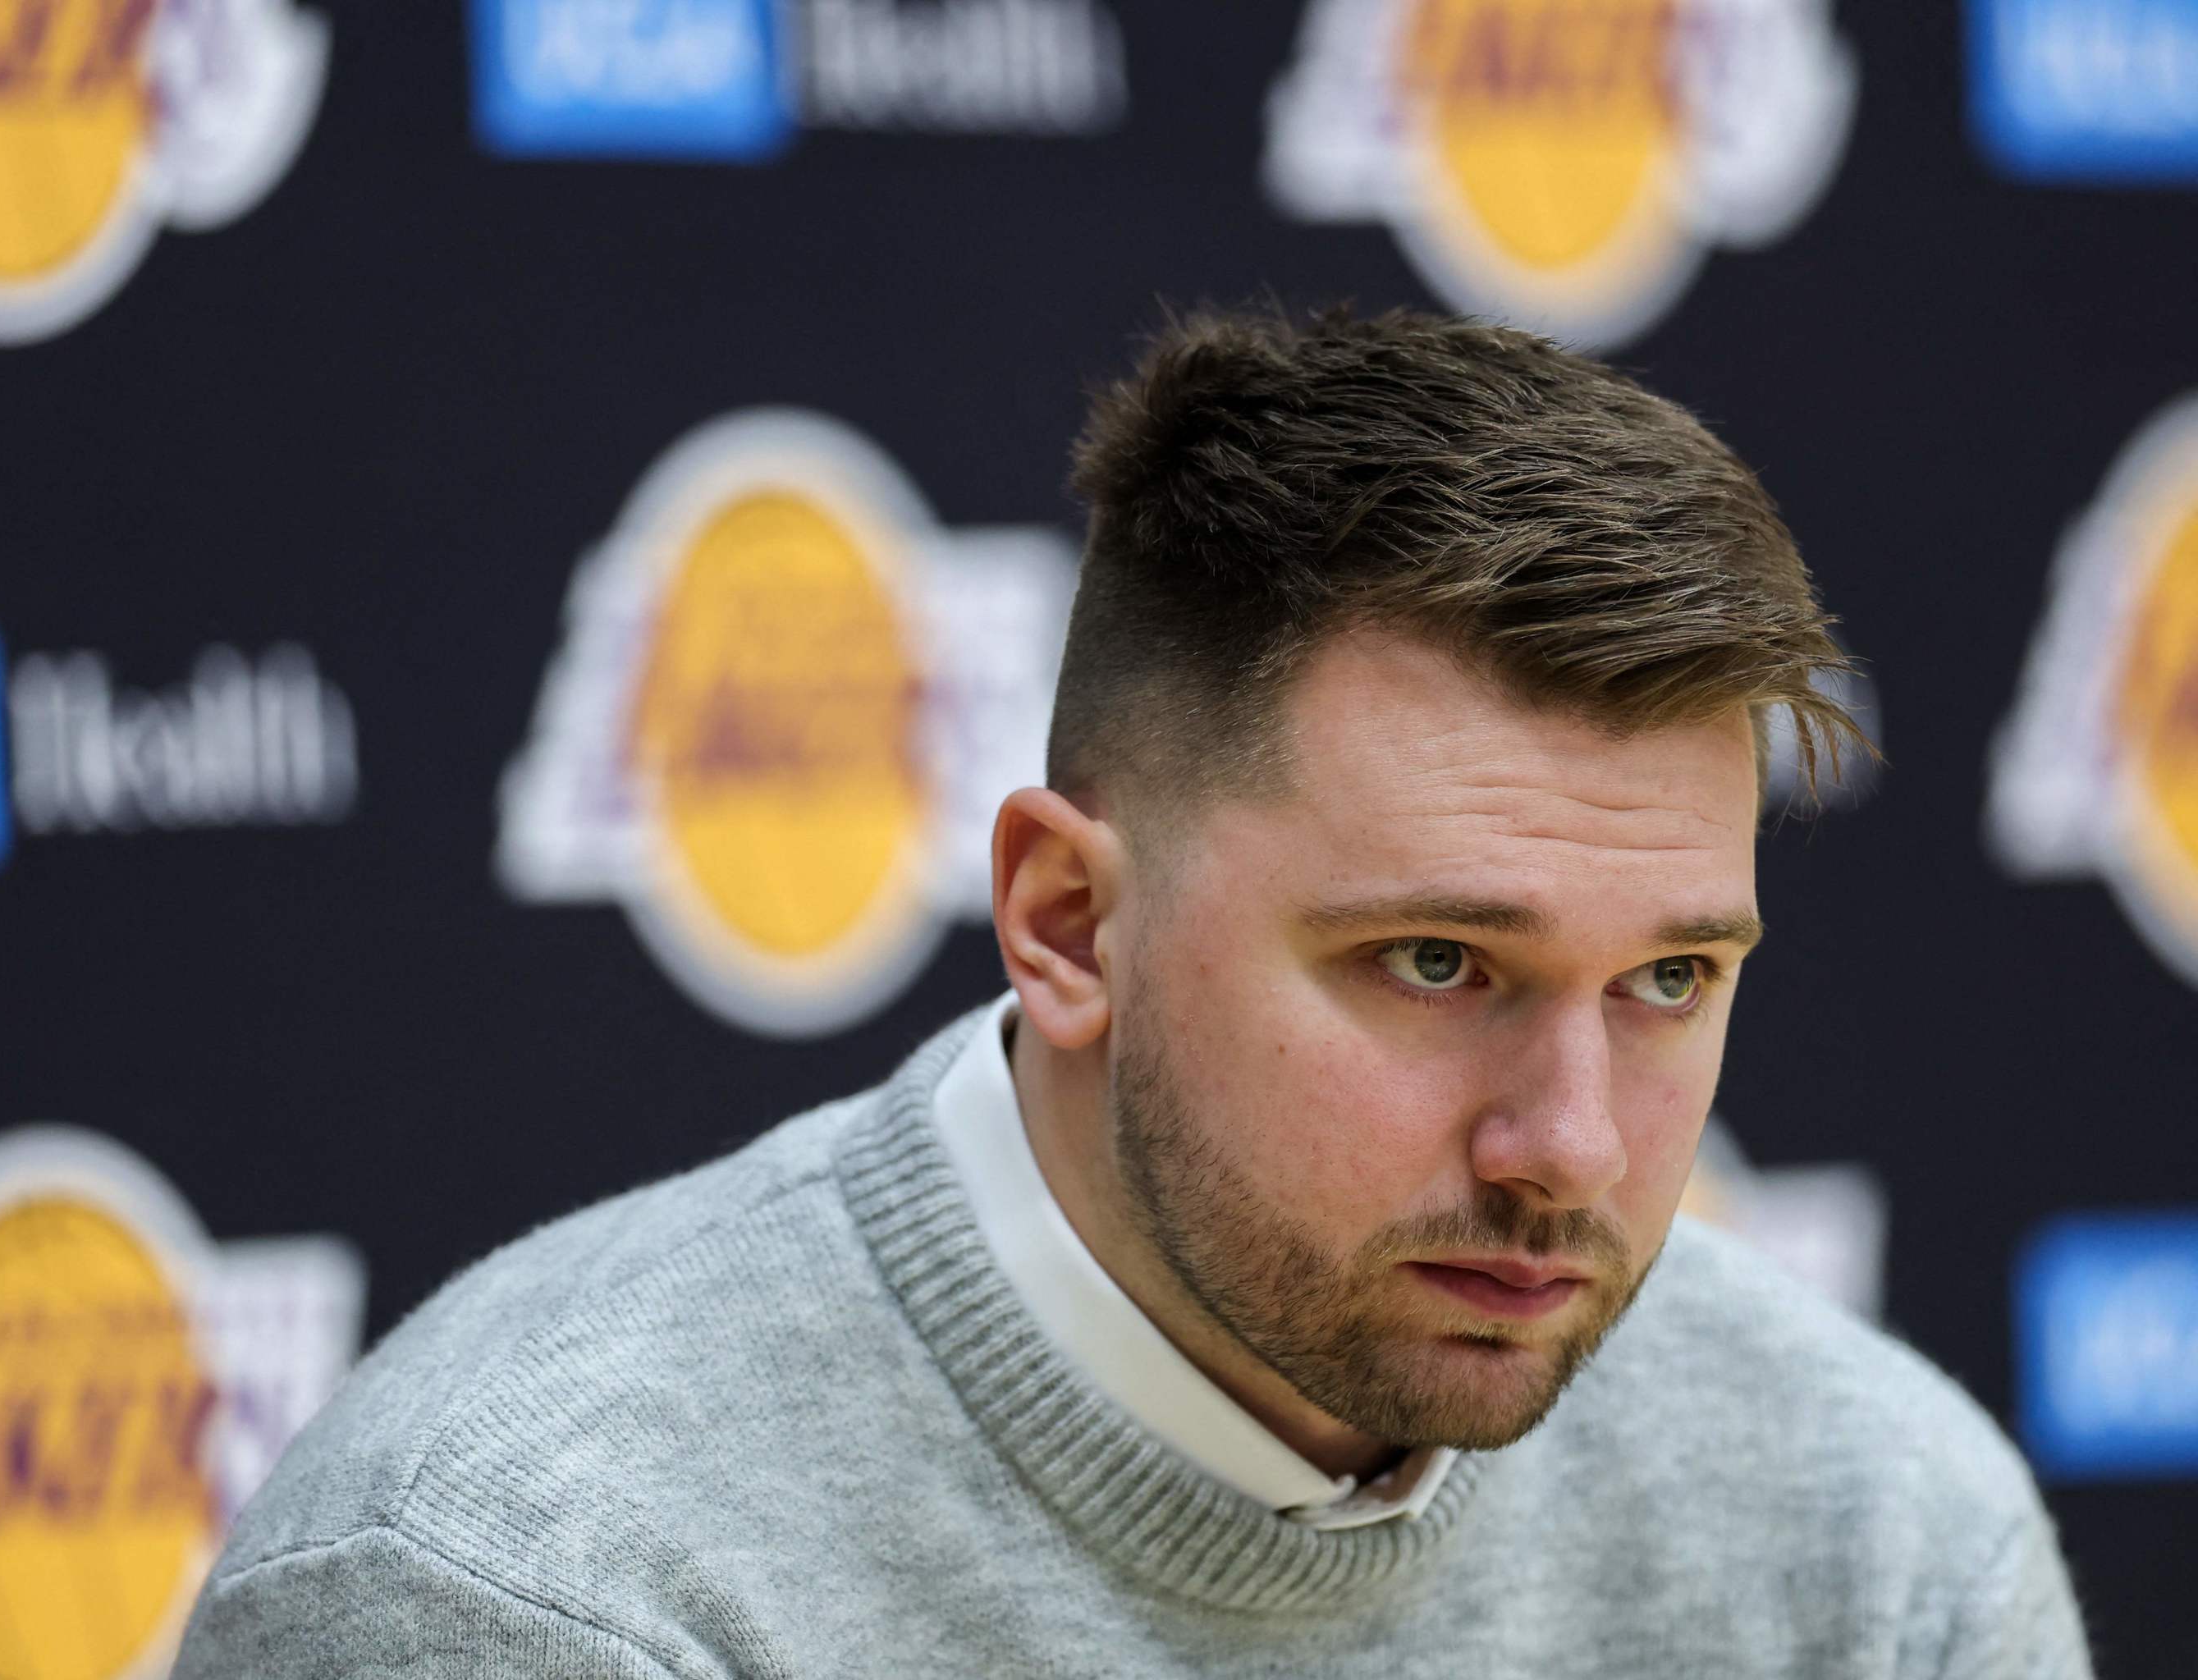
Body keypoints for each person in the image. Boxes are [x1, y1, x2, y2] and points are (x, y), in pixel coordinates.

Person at [172, 307, 2091, 1678]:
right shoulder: (522, 1591)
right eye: (1437, 963)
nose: (1571, 1146)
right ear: (1068, 921)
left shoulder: (1878, 1539)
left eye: (1671, 978)